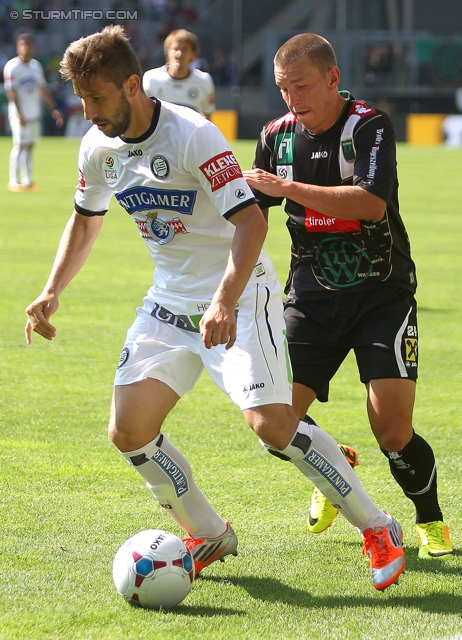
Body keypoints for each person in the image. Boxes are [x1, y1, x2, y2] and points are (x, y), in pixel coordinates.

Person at [25, 25, 406, 592]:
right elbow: (86, 218)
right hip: (169, 304)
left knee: (273, 426)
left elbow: (251, 221)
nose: (87, 111)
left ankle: (379, 527)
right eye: (81, 98)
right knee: (129, 430)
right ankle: (208, 532)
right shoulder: (97, 146)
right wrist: (52, 289)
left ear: (132, 84)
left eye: (97, 97)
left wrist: (225, 300)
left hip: (241, 296)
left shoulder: (193, 135)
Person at [244, 33, 453, 560]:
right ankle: (335, 464)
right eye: (283, 89)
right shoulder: (274, 137)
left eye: (303, 85)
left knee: (392, 431)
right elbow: (250, 221)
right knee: (272, 422)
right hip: (310, 298)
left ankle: (430, 520)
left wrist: (287, 189)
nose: (292, 99)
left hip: (382, 295)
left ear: (333, 79)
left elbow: (369, 203)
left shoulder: (368, 125)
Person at [3, 32, 64, 191]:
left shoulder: (35, 66)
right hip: (19, 114)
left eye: (28, 44)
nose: (25, 48)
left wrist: (54, 109)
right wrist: (20, 114)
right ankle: (14, 180)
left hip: (33, 112)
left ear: (33, 47)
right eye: (22, 45)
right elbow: (12, 93)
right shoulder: (12, 66)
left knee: (30, 146)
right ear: (18, 47)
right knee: (19, 145)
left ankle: (27, 180)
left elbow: (43, 89)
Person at [143, 28, 215, 119]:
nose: (179, 54)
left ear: (193, 54)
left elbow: (207, 116)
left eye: (184, 49)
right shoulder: (150, 78)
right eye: (175, 49)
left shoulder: (204, 80)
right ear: (167, 52)